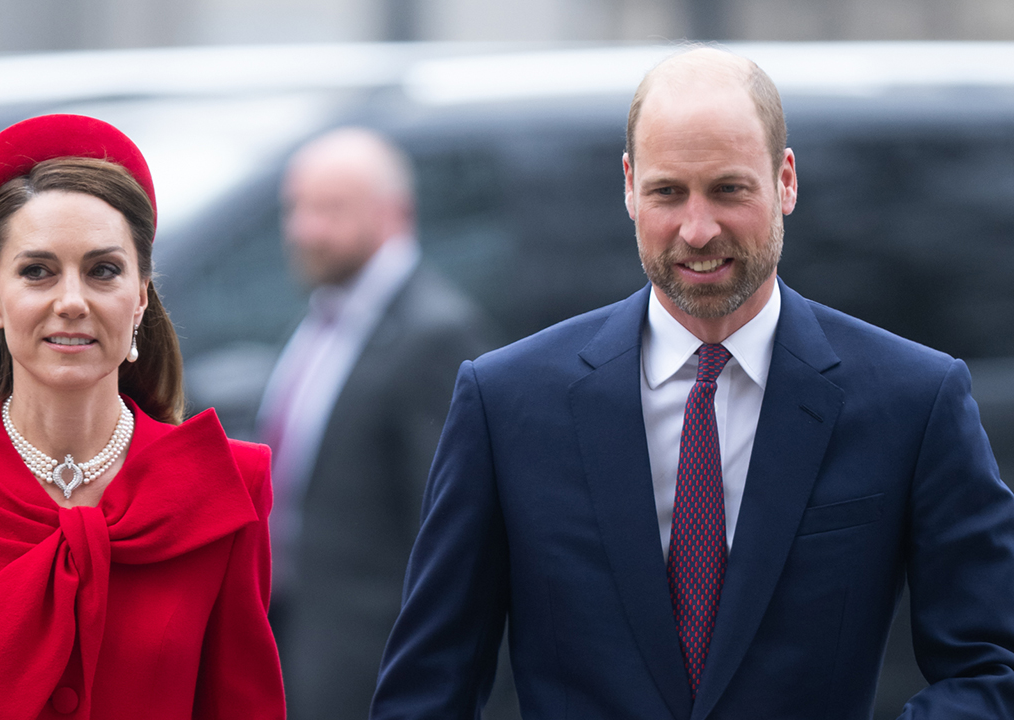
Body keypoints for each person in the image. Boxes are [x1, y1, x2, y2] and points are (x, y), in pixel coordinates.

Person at [371, 47, 1014, 719]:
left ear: (785, 181)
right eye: (667, 192)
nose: (698, 229)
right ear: (628, 186)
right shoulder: (506, 405)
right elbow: (427, 690)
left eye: (729, 189)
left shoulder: (913, 400)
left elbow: (991, 668)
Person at [0, 114, 285, 720]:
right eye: (37, 271)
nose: (71, 301)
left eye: (103, 270)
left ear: (142, 293)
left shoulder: (223, 485)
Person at [256, 127, 493, 720]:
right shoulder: (327, 316)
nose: (304, 229)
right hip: (300, 650)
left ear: (394, 213)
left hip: (374, 670)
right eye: (297, 208)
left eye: (330, 210)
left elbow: (451, 535)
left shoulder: (435, 334)